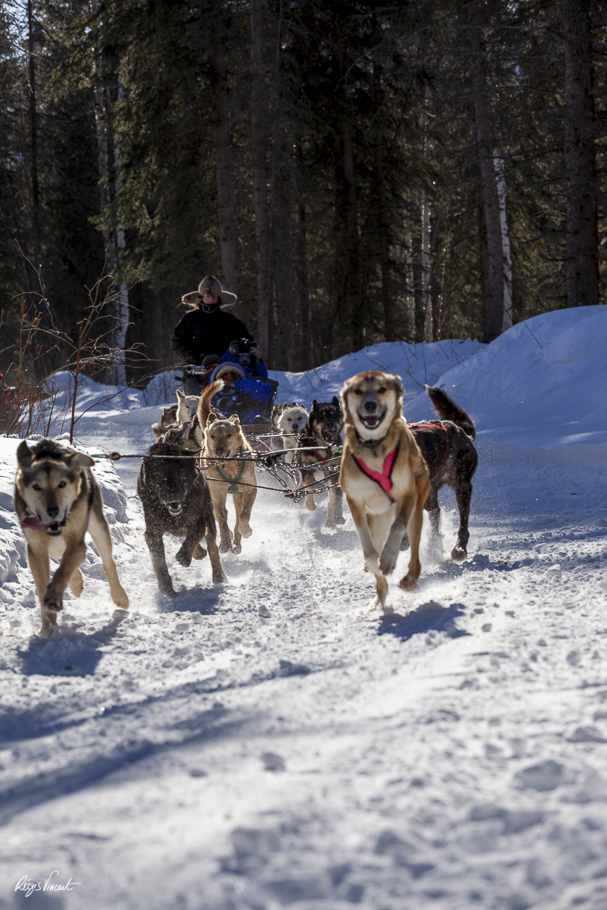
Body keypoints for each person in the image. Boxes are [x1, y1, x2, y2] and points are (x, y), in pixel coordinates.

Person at [172, 276, 259, 394]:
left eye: (214, 296)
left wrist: (241, 350)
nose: (211, 300)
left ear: (219, 298)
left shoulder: (229, 319)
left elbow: (247, 341)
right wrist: (193, 356)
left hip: (227, 366)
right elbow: (177, 342)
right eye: (208, 296)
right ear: (201, 297)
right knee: (194, 399)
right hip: (197, 367)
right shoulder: (190, 319)